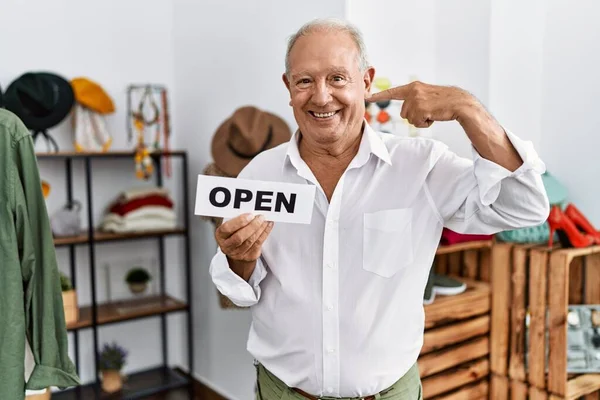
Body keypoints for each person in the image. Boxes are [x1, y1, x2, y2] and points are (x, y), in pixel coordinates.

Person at [209, 18, 549, 400]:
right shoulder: (259, 173)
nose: (321, 97)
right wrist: (239, 260)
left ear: (367, 81)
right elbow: (240, 292)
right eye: (305, 81)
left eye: (337, 78)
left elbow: (526, 208)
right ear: (288, 88)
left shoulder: (422, 165)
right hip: (282, 392)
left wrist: (468, 108)